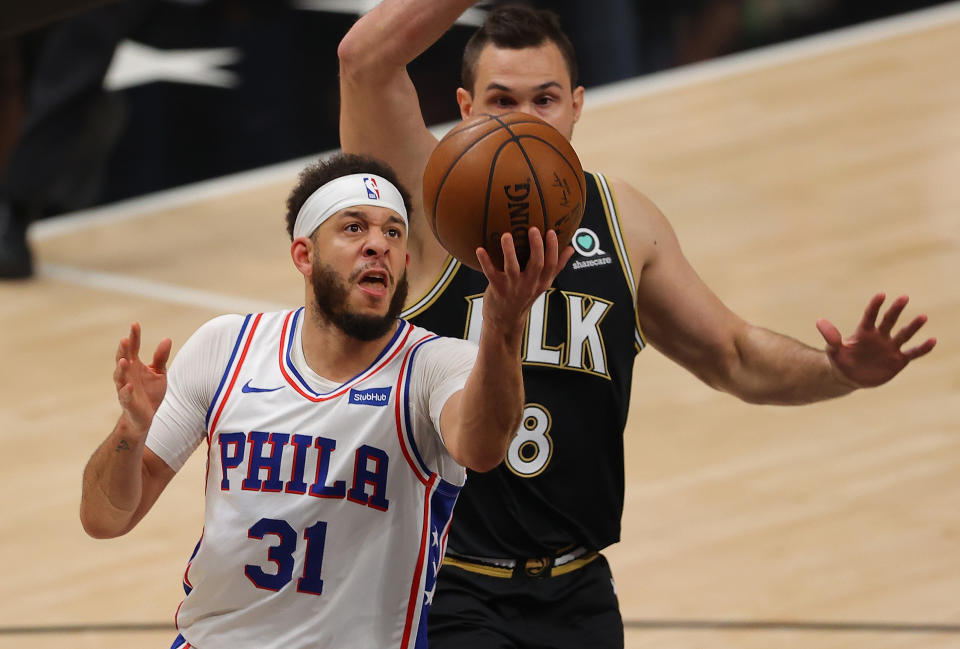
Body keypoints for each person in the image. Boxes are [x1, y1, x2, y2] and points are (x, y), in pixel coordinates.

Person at [337, 3, 937, 648]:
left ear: (577, 105)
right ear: (463, 106)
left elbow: (732, 355)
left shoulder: (625, 221)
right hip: (445, 585)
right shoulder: (429, 205)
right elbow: (363, 61)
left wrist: (837, 372)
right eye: (500, 100)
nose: (524, 120)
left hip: (578, 588)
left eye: (544, 99)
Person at [79, 152, 572, 649]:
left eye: (394, 232)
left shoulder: (434, 366)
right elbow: (105, 518)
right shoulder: (226, 348)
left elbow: (483, 447)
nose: (378, 244)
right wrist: (130, 430)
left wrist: (503, 325)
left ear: (404, 262)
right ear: (304, 256)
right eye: (354, 228)